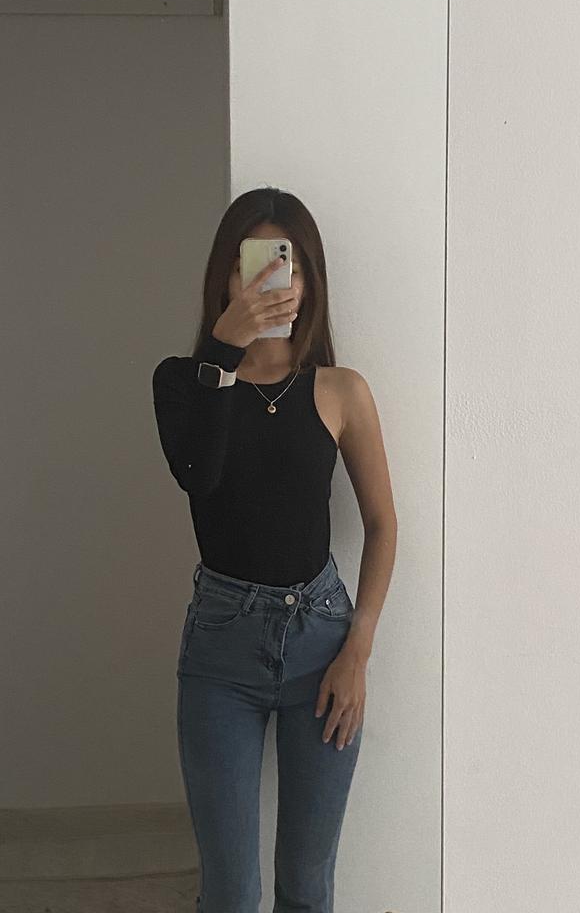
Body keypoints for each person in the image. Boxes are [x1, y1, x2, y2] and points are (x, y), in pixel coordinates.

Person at [151, 187, 397, 913]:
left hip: (323, 642)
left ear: (308, 279)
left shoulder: (340, 390)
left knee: (307, 887)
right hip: (220, 650)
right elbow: (199, 476)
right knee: (230, 892)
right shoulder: (182, 382)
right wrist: (223, 350)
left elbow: (383, 524)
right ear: (223, 277)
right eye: (248, 264)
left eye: (281, 263)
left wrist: (358, 650)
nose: (265, 281)